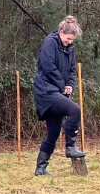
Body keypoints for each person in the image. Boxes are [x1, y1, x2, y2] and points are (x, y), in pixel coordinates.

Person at [32, 16, 85, 176]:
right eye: (68, 39)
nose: (69, 42)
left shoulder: (70, 48)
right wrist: (62, 86)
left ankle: (40, 168)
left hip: (58, 91)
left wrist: (70, 85)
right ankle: (70, 147)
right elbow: (48, 66)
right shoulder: (50, 43)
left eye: (72, 40)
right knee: (75, 110)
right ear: (61, 33)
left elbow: (71, 70)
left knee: (53, 131)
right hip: (46, 91)